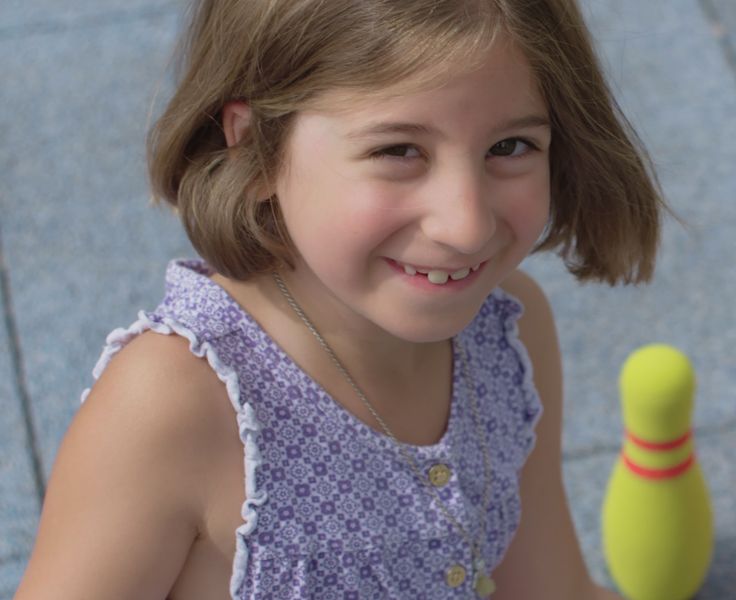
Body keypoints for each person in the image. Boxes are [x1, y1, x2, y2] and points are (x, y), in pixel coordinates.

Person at [16, 0, 664, 597]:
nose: (466, 225)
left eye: (509, 147)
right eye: (398, 151)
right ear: (257, 150)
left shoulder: (506, 332)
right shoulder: (174, 405)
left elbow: (549, 587)